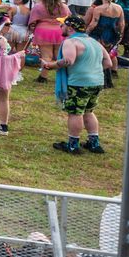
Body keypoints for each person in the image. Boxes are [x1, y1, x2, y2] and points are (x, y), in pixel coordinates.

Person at [50, 15, 108, 156]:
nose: (61, 27)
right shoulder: (94, 42)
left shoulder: (71, 42)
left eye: (63, 25)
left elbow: (68, 61)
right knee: (88, 111)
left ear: (70, 28)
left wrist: (50, 65)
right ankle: (94, 144)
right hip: (97, 82)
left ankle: (73, 145)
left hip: (79, 83)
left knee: (75, 113)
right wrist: (92, 71)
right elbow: (108, 63)